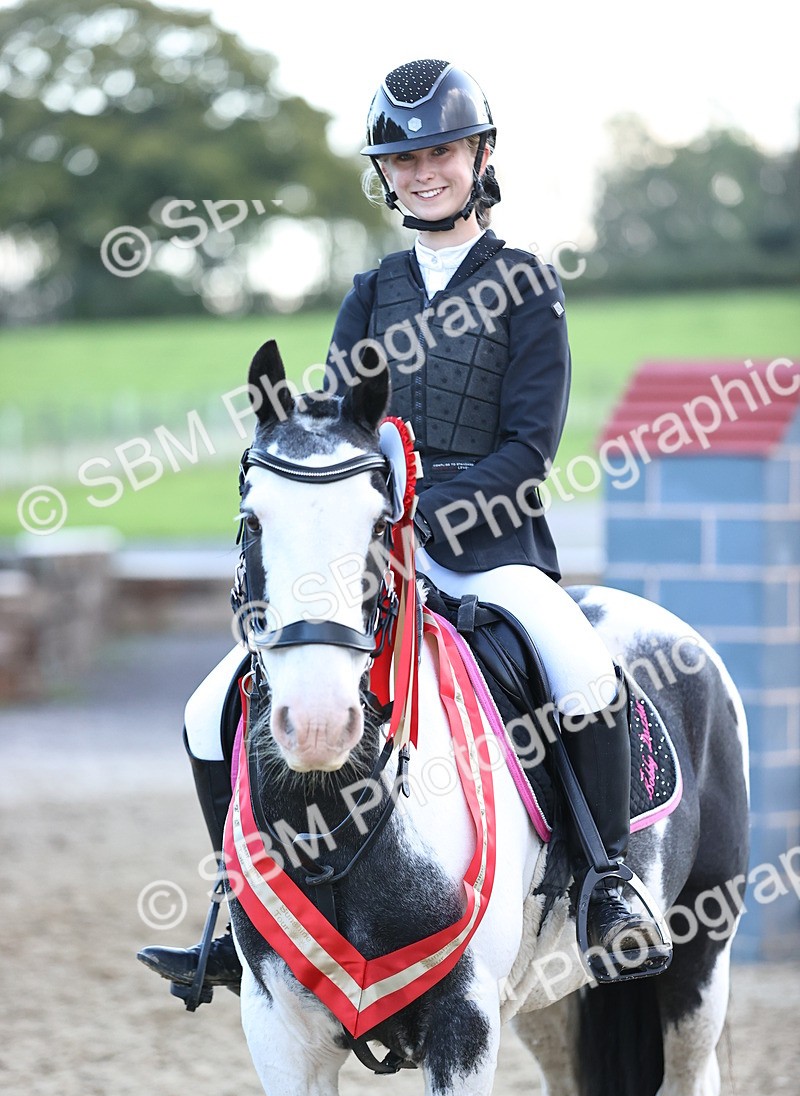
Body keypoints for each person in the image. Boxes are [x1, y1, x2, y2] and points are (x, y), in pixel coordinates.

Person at [139, 59, 668, 995]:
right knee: (206, 709)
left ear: (480, 155)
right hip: (373, 555)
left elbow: (530, 448)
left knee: (583, 668)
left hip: (492, 550)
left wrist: (427, 518)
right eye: (404, 157)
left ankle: (608, 884)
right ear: (385, 173)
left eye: (442, 152)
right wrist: (360, 523)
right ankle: (236, 910)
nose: (424, 171)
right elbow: (339, 428)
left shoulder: (527, 285)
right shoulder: (371, 292)